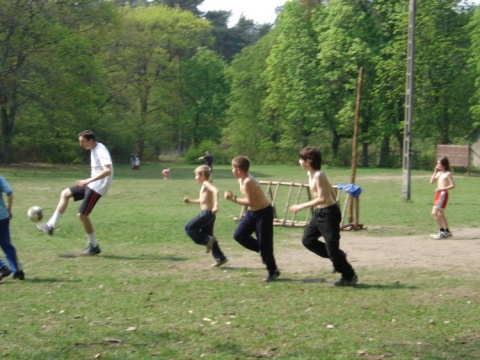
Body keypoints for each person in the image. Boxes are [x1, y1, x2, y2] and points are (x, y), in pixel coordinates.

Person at [36, 130, 113, 255]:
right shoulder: (94, 149)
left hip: (98, 187)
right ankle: (50, 226)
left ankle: (93, 246)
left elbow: (107, 171)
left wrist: (88, 180)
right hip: (91, 184)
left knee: (82, 215)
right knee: (65, 193)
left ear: (91, 140)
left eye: (82, 141)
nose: (80, 144)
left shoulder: (100, 150)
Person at [289, 146, 358, 286]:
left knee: (332, 249)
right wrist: (334, 202)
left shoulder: (319, 174)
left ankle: (349, 275)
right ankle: (339, 257)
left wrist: (300, 206)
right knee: (308, 240)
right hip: (319, 213)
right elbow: (330, 190)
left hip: (329, 214)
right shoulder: (311, 174)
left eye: (301, 159)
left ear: (308, 161)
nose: (299, 162)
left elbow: (321, 198)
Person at [224, 156, 280, 282]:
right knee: (239, 235)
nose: (231, 170)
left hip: (263, 213)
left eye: (232, 168)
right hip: (253, 213)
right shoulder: (241, 179)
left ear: (238, 170)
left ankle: (273, 271)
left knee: (265, 245)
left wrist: (232, 198)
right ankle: (261, 248)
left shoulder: (248, 181)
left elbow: (250, 202)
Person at [183, 165, 228, 267]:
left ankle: (206, 240)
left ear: (202, 175)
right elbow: (202, 200)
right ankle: (220, 258)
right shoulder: (205, 185)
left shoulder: (206, 183)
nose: (195, 177)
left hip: (206, 214)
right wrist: (190, 201)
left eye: (196, 175)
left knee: (188, 227)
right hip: (210, 215)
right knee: (211, 238)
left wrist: (216, 205)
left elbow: (216, 191)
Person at [0, 175, 24, 281]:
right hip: (3, 216)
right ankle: (17, 272)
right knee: (6, 244)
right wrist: (9, 210)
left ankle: (2, 268)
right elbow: (10, 193)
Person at [430, 156, 455, 240]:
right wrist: (435, 172)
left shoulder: (447, 174)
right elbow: (431, 182)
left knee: (434, 213)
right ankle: (447, 231)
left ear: (444, 165)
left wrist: (442, 189)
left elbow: (453, 185)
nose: (437, 165)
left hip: (443, 194)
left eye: (439, 163)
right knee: (440, 214)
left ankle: (442, 232)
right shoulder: (439, 173)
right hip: (438, 194)